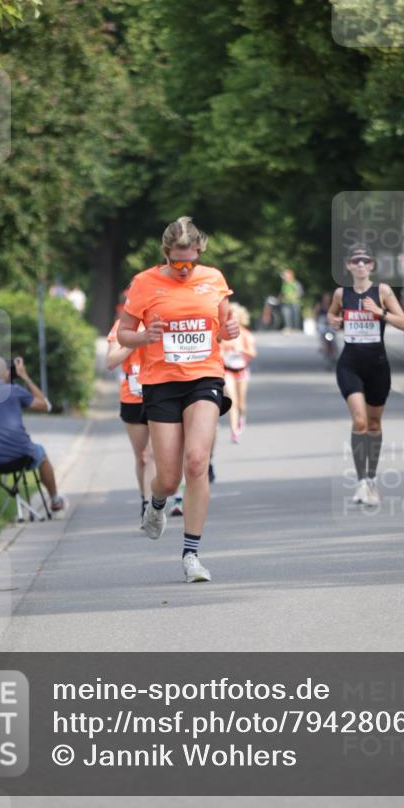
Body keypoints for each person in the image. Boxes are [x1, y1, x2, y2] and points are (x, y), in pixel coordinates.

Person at [117, 216, 239, 582]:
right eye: (177, 262)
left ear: (200, 252)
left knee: (197, 462)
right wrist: (143, 337)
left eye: (191, 261)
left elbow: (222, 328)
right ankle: (156, 505)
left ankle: (192, 554)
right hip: (162, 382)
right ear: (165, 254)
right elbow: (123, 334)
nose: (185, 269)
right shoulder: (144, 283)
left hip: (204, 377)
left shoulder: (213, 279)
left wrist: (229, 329)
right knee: (168, 480)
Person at [327, 244, 404, 506]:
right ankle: (361, 481)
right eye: (356, 261)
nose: (361, 265)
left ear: (372, 265)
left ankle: (371, 478)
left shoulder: (382, 291)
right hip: (350, 364)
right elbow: (331, 313)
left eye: (365, 261)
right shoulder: (342, 293)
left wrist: (380, 312)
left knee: (374, 424)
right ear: (349, 265)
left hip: (378, 366)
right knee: (360, 421)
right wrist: (334, 320)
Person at [0, 356, 64, 514]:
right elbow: (46, 406)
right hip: (23, 457)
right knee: (42, 454)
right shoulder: (14, 391)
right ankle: (55, 500)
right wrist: (24, 376)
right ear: (6, 373)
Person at [106, 315, 156, 527]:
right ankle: (145, 500)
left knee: (155, 454)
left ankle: (152, 506)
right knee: (142, 456)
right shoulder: (121, 326)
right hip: (132, 396)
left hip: (158, 394)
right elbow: (110, 361)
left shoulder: (161, 319)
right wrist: (137, 340)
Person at [221, 303, 257, 442]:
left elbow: (253, 353)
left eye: (235, 317)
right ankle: (234, 430)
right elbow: (219, 350)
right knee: (232, 401)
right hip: (227, 371)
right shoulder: (224, 334)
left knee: (241, 403)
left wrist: (241, 350)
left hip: (241, 371)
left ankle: (242, 418)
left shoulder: (246, 335)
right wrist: (224, 352)